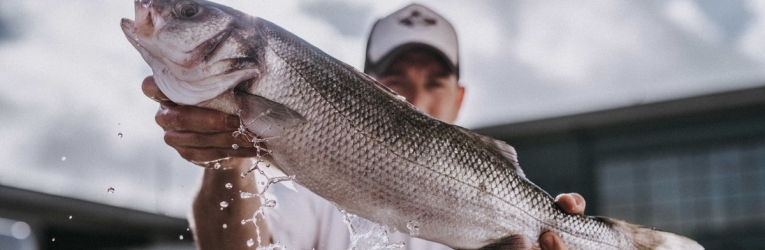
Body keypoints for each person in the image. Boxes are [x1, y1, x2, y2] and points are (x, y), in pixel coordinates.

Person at [141, 3, 586, 250]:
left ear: (460, 96)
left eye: (435, 82)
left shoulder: (499, 205)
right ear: (369, 86)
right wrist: (227, 159)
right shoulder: (306, 179)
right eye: (396, 82)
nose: (417, 98)